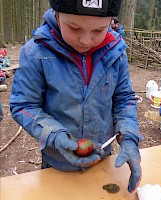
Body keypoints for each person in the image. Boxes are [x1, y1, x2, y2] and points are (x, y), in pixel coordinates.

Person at [10, 0, 143, 193]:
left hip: (102, 160)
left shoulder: (117, 51)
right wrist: (55, 135)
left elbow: (124, 99)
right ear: (57, 14)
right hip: (57, 164)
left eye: (99, 30)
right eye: (74, 27)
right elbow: (23, 105)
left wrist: (129, 137)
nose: (86, 40)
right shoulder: (36, 52)